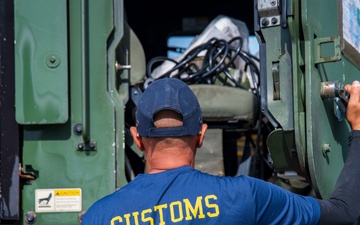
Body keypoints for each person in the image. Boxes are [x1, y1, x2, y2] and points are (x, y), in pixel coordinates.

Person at [81, 78, 360, 225]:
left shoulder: (99, 216)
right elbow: (344, 213)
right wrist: (357, 129)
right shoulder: (245, 196)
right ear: (201, 136)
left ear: (137, 139)